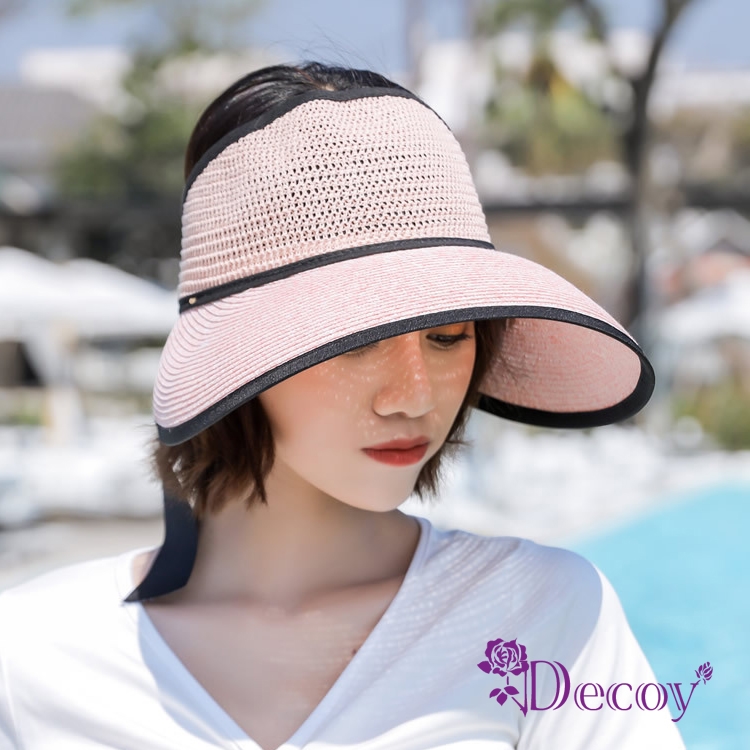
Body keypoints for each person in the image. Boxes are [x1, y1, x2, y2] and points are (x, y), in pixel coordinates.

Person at [0, 62, 686, 749]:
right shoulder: (35, 659)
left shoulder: (545, 618)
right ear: (239, 354)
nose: (414, 395)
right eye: (357, 340)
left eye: (448, 337)